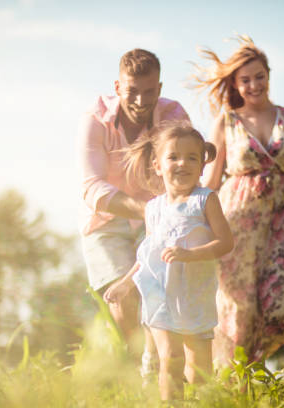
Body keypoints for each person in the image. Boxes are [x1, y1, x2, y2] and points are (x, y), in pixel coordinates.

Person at [193, 36, 284, 366]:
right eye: (245, 79)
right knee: (239, 313)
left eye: (259, 76)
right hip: (234, 226)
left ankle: (240, 375)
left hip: (279, 229)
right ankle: (234, 389)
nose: (254, 85)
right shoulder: (226, 122)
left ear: (269, 75)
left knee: (280, 309)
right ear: (235, 84)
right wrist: (193, 227)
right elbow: (211, 183)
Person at [103, 122, 234, 400]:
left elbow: (226, 242)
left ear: (202, 167)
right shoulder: (153, 209)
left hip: (194, 295)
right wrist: (126, 284)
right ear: (158, 165)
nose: (182, 163)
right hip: (160, 294)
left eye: (192, 158)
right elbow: (147, 256)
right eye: (173, 157)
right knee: (172, 358)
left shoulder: (205, 200)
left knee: (200, 370)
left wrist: (190, 255)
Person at [79, 49, 189, 374]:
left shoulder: (173, 116)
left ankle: (164, 372)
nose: (141, 101)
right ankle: (130, 369)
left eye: (149, 91)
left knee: (162, 292)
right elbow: (91, 187)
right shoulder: (95, 121)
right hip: (106, 220)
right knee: (123, 297)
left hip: (159, 219)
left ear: (160, 87)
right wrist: (145, 209)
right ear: (117, 87)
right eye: (132, 91)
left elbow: (186, 167)